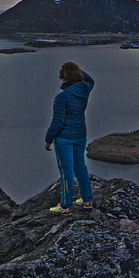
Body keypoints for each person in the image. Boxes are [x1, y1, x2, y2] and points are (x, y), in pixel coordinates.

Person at [43, 61, 95, 213]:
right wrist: (78, 69)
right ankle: (87, 201)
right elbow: (91, 80)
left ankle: (65, 206)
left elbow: (57, 122)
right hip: (80, 135)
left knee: (67, 171)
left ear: (64, 77)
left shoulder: (62, 97)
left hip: (64, 138)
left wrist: (48, 139)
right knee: (81, 167)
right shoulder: (85, 90)